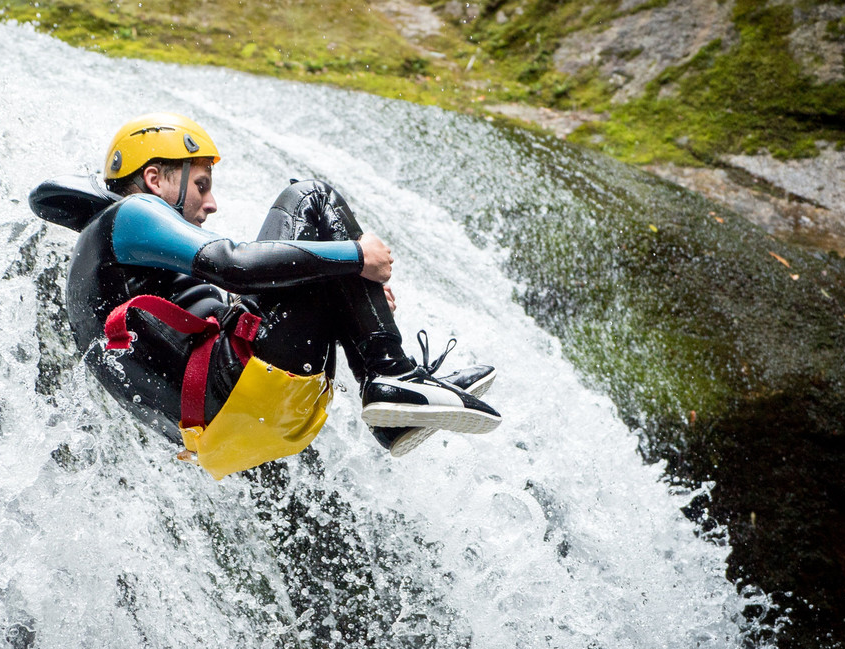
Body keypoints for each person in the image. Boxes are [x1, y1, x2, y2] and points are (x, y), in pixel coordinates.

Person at [29, 112, 500, 479]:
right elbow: (235, 265)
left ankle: (394, 402)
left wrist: (352, 300)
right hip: (234, 383)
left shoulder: (112, 262)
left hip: (227, 424)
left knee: (315, 271)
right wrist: (356, 256)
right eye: (201, 184)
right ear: (155, 180)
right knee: (312, 198)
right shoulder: (132, 214)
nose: (211, 203)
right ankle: (392, 375)